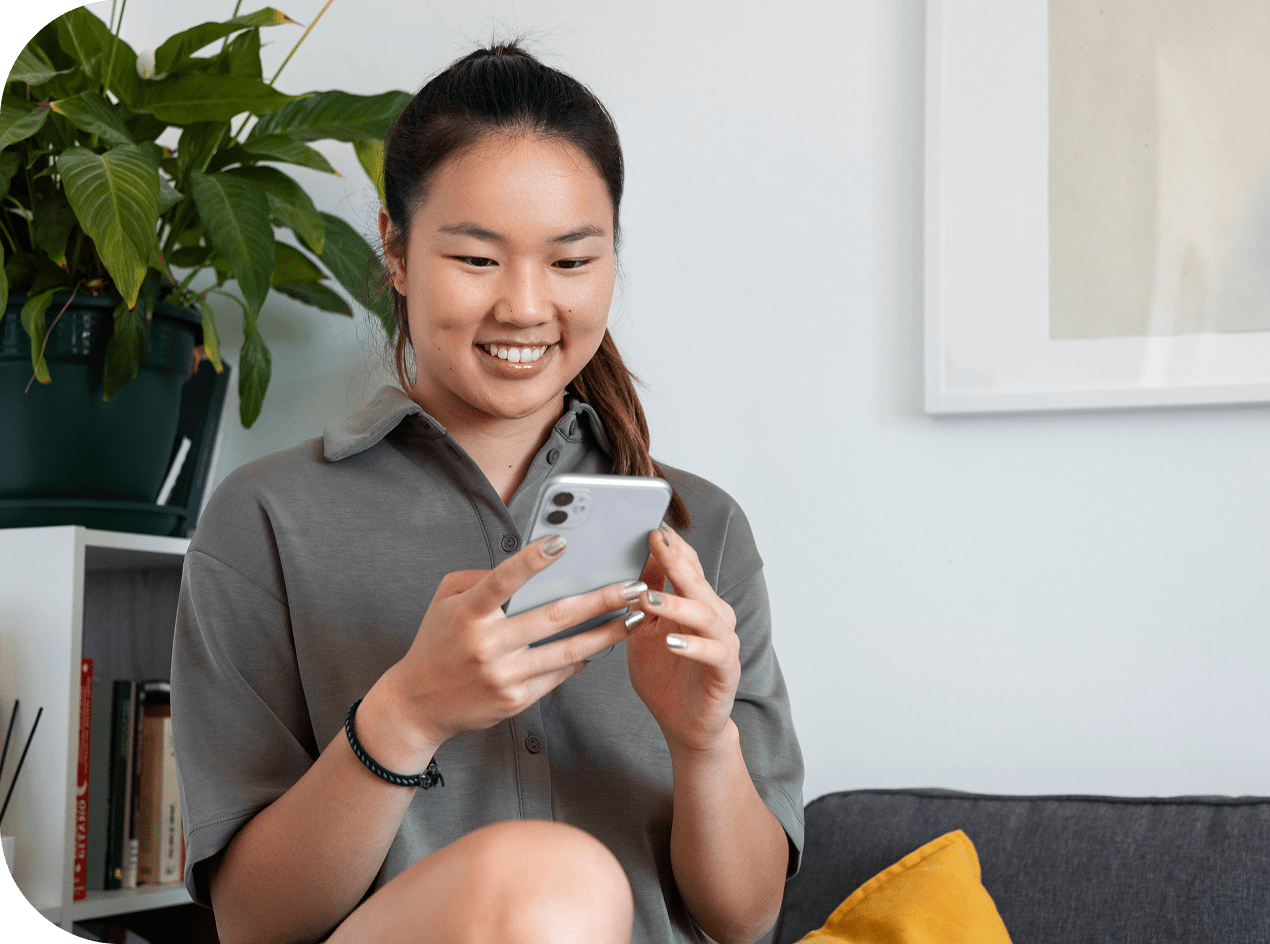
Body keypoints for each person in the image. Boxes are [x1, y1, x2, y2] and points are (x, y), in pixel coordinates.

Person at [170, 43, 804, 944]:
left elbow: (745, 921)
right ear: (394, 248)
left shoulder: (701, 529)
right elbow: (255, 925)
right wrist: (407, 714)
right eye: (476, 259)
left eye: (572, 263)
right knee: (551, 880)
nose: (525, 307)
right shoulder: (268, 519)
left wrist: (703, 741)